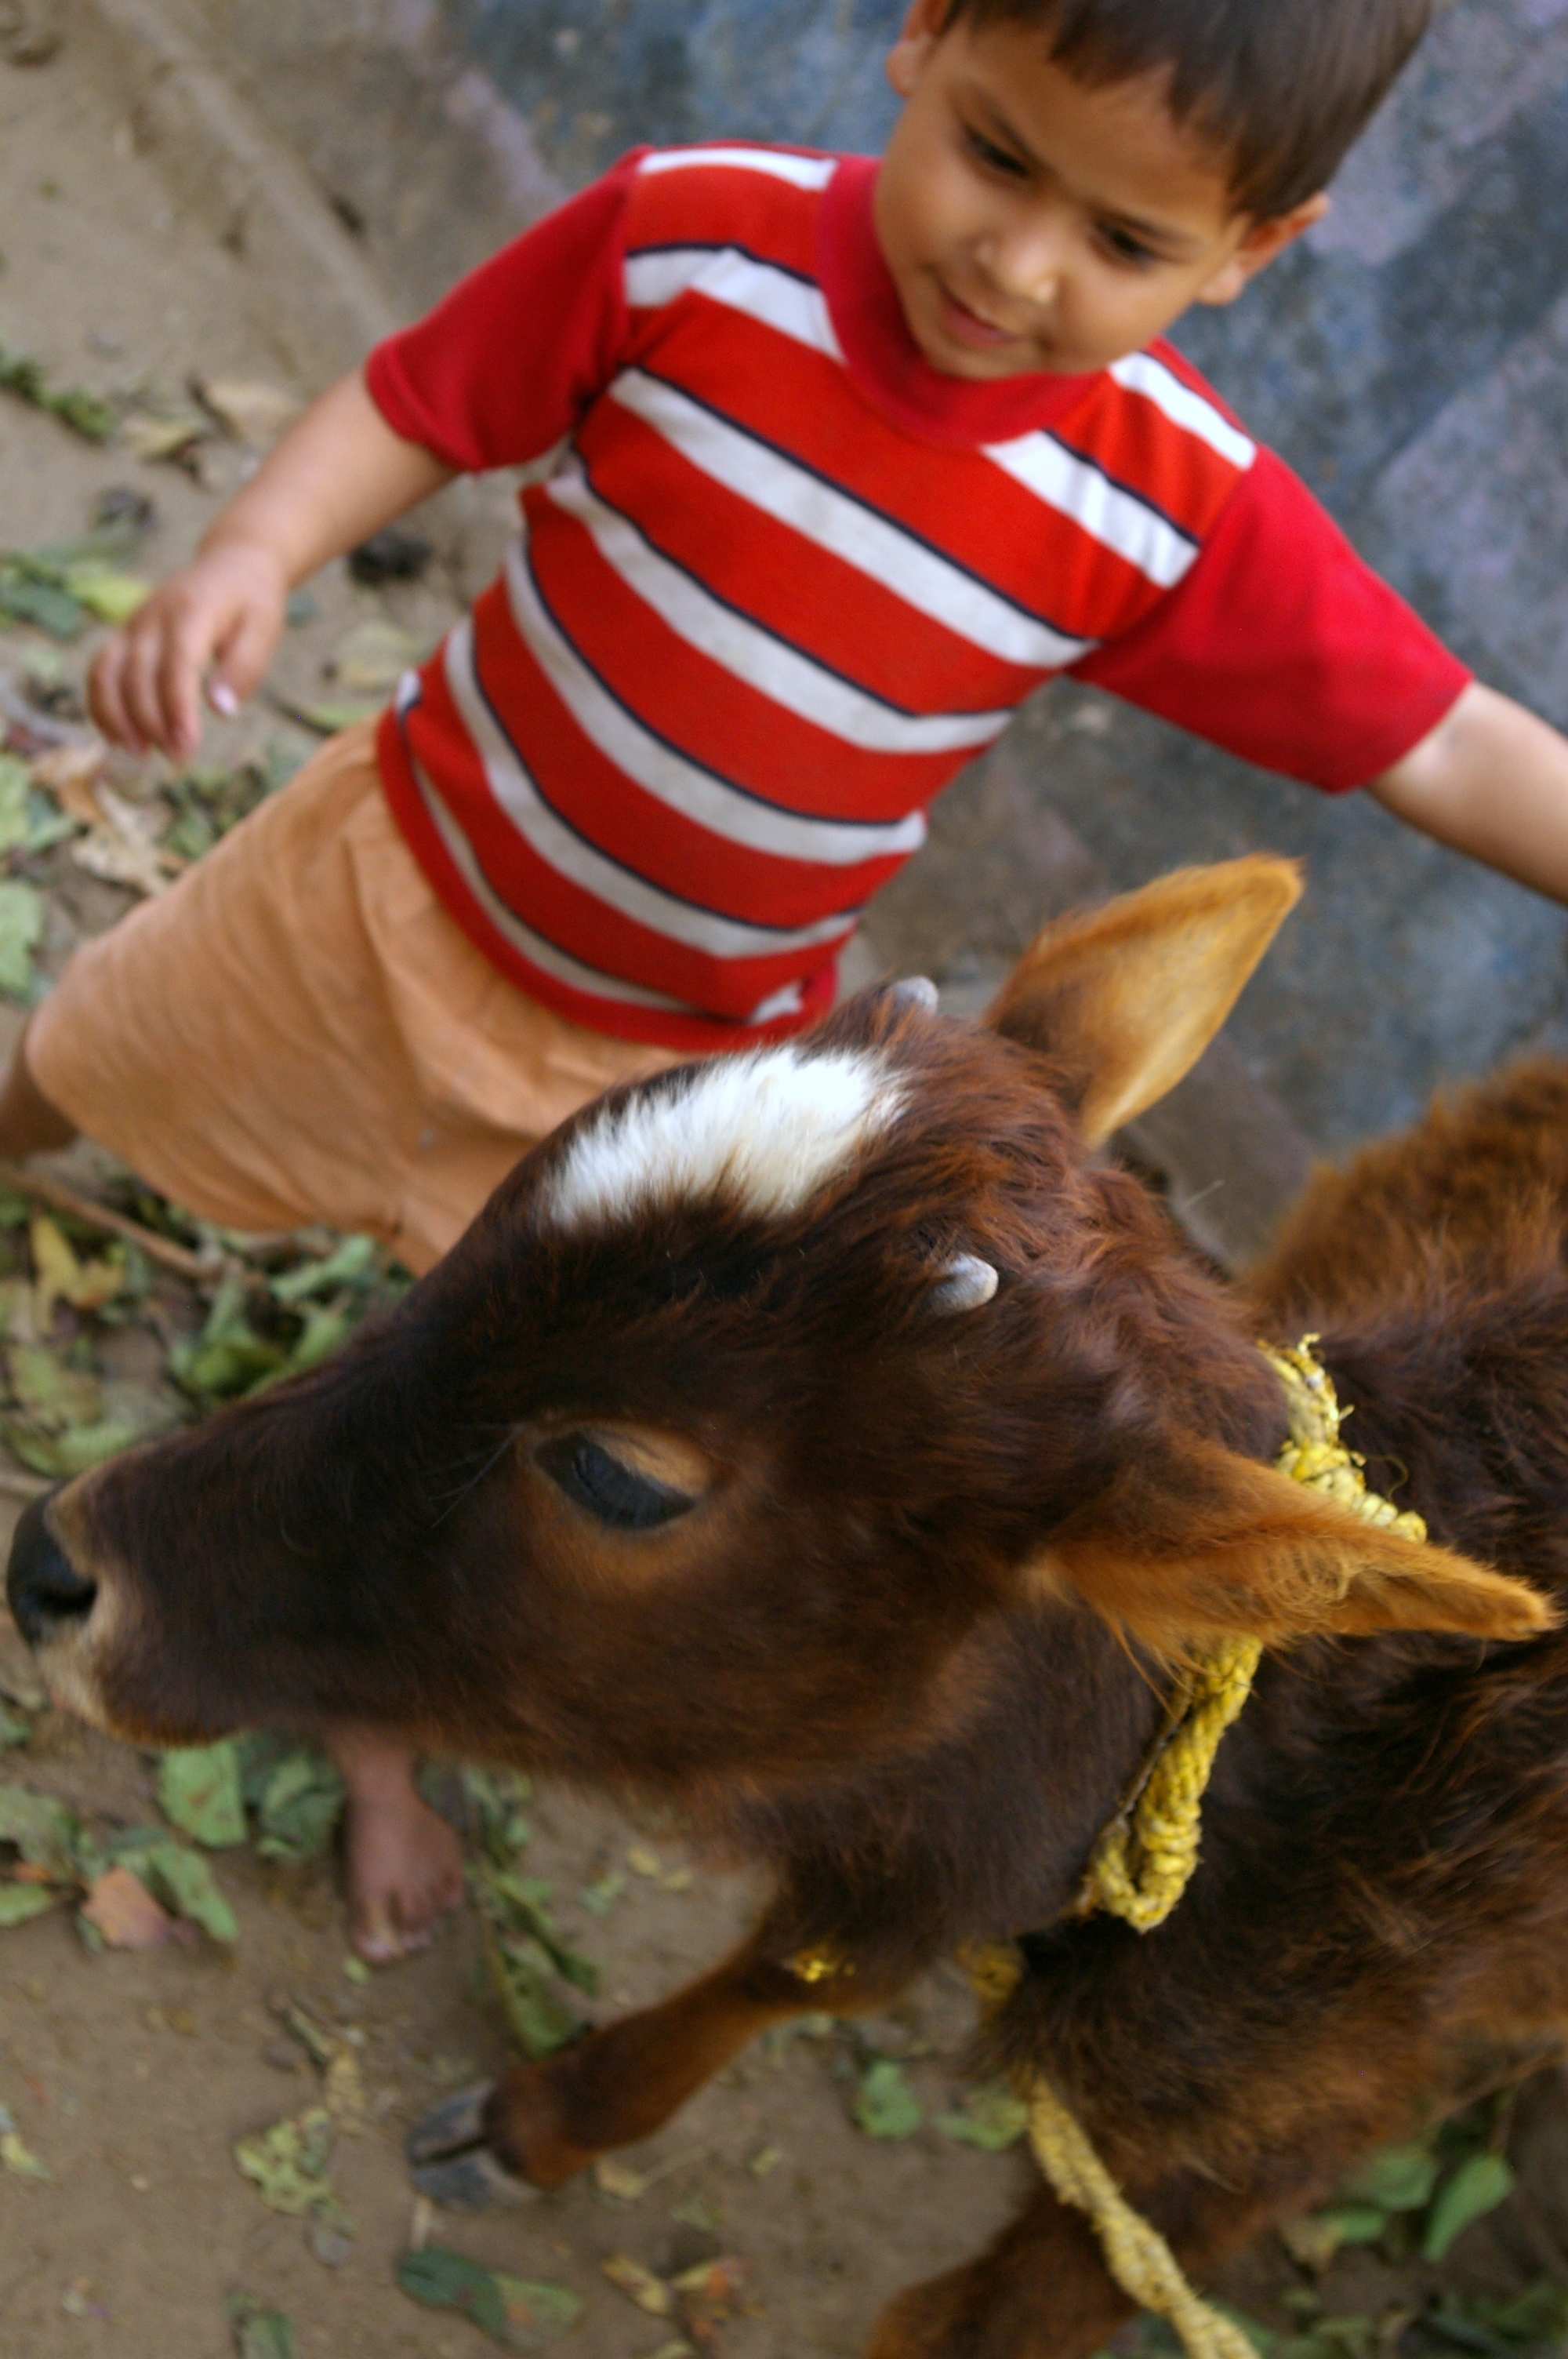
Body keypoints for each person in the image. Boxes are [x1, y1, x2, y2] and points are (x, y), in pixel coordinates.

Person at [12, 0, 1568, 1961]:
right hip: (385, 878)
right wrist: (253, 550)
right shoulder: (694, 234)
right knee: (100, 1042)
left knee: (474, 1426)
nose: (1018, 262)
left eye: (1122, 241)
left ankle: (350, 1715)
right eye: (997, 154)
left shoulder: (1160, 496)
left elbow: (1440, 737)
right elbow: (426, 397)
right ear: (924, 36)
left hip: (666, 1075)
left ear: (1254, 249)